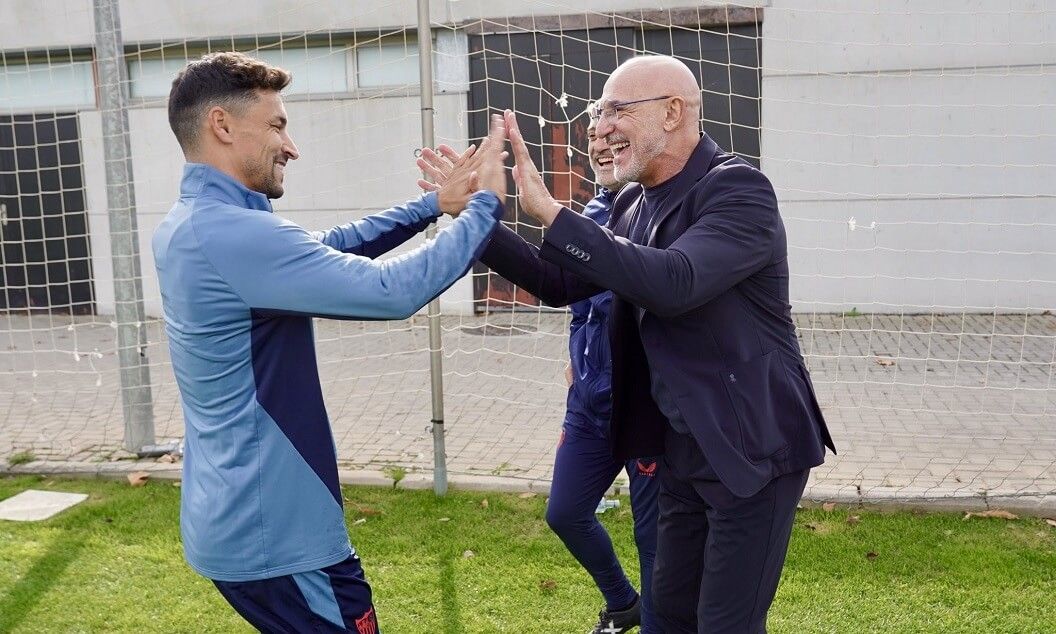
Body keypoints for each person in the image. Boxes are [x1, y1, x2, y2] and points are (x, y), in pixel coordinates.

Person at [428, 56, 836, 633]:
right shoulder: (629, 203)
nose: (603, 124)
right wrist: (478, 216)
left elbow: (676, 282)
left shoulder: (738, 189)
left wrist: (552, 213)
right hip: (678, 448)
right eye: (601, 110)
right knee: (666, 617)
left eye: (618, 109)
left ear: (673, 113)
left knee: (725, 623)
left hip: (751, 448)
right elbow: (559, 284)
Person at [153, 51, 508, 633]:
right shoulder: (232, 233)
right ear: (221, 125)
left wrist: (432, 207)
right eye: (277, 125)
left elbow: (321, 249)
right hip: (279, 534)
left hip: (237, 518)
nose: (290, 146)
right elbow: (392, 292)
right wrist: (485, 206)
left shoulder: (195, 223)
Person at [420, 115, 661, 633]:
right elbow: (554, 282)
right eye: (593, 135)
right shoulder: (597, 208)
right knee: (566, 513)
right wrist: (474, 216)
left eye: (613, 132)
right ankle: (623, 603)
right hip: (590, 405)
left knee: (657, 543)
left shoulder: (664, 210)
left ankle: (661, 617)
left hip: (647, 409)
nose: (599, 141)